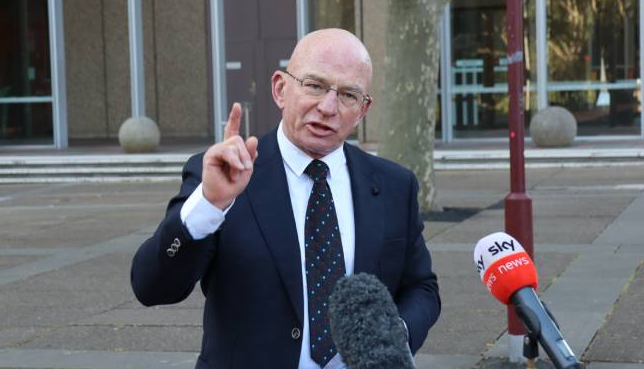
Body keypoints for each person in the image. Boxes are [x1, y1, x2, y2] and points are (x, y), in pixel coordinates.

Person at [130, 28, 440, 369]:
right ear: (280, 89)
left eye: (348, 95)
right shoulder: (225, 174)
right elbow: (151, 287)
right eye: (315, 86)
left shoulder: (395, 185)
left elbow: (421, 288)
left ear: (363, 109)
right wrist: (209, 204)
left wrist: (392, 337)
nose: (328, 107)